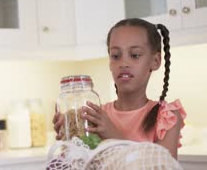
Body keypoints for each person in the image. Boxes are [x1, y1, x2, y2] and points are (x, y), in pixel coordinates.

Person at [53, 18, 186, 159]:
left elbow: (163, 166)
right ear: (110, 62)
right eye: (116, 56)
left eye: (135, 55)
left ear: (155, 61)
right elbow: (80, 164)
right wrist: (68, 143)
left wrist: (114, 137)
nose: (123, 63)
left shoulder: (167, 117)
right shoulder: (95, 116)